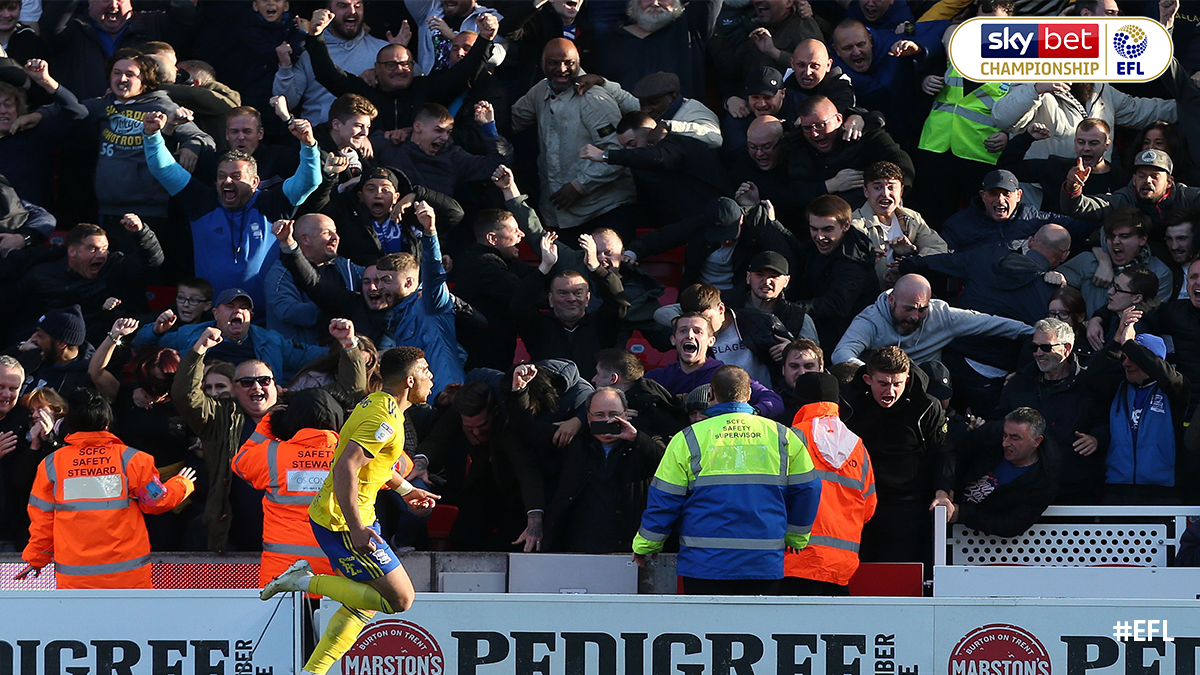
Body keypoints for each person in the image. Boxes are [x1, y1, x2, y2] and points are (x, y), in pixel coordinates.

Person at [259, 346, 439, 675]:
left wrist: (406, 489)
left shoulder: (381, 404)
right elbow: (345, 467)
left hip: (355, 516)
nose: (432, 378)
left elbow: (376, 464)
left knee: (362, 604)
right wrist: (356, 528)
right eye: (426, 371)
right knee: (400, 600)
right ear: (410, 380)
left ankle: (313, 672)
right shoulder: (382, 417)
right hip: (343, 522)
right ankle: (303, 581)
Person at [632, 365, 821, 594]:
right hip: (762, 563)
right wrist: (796, 538)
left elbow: (665, 498)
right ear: (749, 395)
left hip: (704, 565)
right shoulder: (783, 436)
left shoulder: (688, 438)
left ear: (711, 394)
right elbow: (808, 489)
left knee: (708, 629)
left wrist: (647, 544)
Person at [142, 107, 322, 310]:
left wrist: (309, 146)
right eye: (221, 176)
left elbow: (309, 180)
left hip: (267, 316)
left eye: (236, 176)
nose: (227, 181)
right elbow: (164, 169)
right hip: (213, 317)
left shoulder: (272, 204)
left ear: (254, 182)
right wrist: (151, 136)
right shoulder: (202, 202)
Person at [16, 389, 196, 587]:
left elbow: (43, 519)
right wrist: (182, 484)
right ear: (108, 424)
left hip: (75, 579)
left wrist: (36, 559)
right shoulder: (133, 460)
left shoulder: (52, 465)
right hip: (128, 577)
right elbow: (155, 501)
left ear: (71, 424)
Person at [512, 38, 634, 233]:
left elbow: (619, 153)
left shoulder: (594, 98)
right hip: (560, 215)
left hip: (604, 210)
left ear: (578, 63)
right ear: (542, 64)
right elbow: (513, 121)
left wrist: (579, 186)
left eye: (569, 63)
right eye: (553, 62)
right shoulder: (540, 90)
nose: (561, 69)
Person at [841, 346, 949, 563]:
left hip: (907, 505)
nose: (890, 392)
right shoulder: (847, 403)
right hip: (857, 504)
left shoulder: (926, 406)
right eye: (883, 383)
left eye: (897, 384)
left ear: (907, 380)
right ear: (868, 379)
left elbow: (943, 452)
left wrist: (942, 492)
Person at [304, 8, 493, 132]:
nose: (400, 70)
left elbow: (463, 74)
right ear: (376, 68)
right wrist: (316, 36)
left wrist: (485, 39)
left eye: (406, 64)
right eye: (391, 65)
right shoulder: (364, 92)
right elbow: (327, 75)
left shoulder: (425, 88)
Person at [233, 388, 343, 587]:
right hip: (340, 573)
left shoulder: (271, 454)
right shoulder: (354, 455)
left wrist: (268, 421)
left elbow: (240, 463)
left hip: (282, 574)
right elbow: (402, 466)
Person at [992, 318, 1107, 504]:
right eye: (1034, 347)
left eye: (1046, 348)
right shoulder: (1019, 383)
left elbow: (1106, 422)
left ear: (1067, 349)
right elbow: (1000, 418)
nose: (1038, 353)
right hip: (1025, 485)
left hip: (1075, 487)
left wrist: (1097, 439)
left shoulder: (1088, 384)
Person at [782, 371, 875, 595]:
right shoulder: (858, 447)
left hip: (793, 562)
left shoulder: (790, 439)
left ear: (799, 402)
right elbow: (869, 508)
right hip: (841, 567)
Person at [543, 386, 666, 552]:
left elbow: (665, 464)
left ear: (625, 415)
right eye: (600, 415)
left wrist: (636, 438)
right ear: (588, 418)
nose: (607, 421)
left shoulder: (644, 441)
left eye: (614, 415)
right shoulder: (575, 444)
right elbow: (527, 433)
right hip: (581, 545)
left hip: (630, 546)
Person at [1094, 310, 1192, 504]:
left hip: (1164, 491)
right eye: (1124, 357)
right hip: (1117, 489)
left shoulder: (1175, 388)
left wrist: (1130, 344)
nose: (1127, 364)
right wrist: (1116, 342)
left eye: (1135, 358)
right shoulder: (1116, 387)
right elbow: (1090, 378)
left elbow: (1164, 374)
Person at [16, 220, 164, 347]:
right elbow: (18, 309)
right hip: (56, 347)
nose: (101, 255)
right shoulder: (43, 275)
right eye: (93, 249)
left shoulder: (114, 266)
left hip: (103, 344)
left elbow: (152, 260)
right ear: (72, 251)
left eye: (104, 249)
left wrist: (141, 233)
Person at [135, 288, 328, 381]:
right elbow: (141, 346)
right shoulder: (189, 334)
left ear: (251, 316)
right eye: (230, 307)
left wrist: (349, 347)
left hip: (256, 405)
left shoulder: (271, 340)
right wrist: (156, 331)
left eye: (244, 308)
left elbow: (310, 355)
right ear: (216, 313)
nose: (238, 312)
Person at [580, 110, 728, 228]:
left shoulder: (678, 143)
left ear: (650, 133)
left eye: (632, 143)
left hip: (715, 218)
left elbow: (659, 157)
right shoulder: (643, 167)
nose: (629, 150)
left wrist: (605, 155)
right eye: (625, 147)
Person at [512, 231, 628, 380]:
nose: (571, 299)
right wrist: (544, 268)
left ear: (587, 299)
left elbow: (618, 302)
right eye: (563, 293)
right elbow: (519, 306)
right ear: (551, 299)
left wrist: (595, 267)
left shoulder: (600, 325)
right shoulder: (538, 326)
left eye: (578, 293)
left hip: (592, 398)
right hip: (548, 398)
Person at [931, 407, 1059, 537]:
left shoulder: (1044, 478)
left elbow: (1012, 524)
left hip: (984, 538)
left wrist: (961, 514)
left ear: (1037, 441)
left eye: (1015, 438)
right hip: (942, 508)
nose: (1005, 443)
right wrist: (945, 490)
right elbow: (954, 452)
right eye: (1005, 435)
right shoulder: (993, 433)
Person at [39, 0, 197, 99]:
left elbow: (186, 15)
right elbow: (49, 22)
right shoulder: (71, 30)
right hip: (81, 126)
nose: (113, 5)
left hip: (139, 129)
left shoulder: (153, 24)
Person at [645, 312, 785, 420]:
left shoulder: (726, 375)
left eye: (698, 331)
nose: (690, 335)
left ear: (711, 341)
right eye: (683, 330)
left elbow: (774, 401)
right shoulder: (657, 378)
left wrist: (752, 413)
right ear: (673, 340)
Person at [787, 94, 914, 210]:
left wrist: (894, 192)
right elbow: (789, 192)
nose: (814, 134)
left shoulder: (865, 136)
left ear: (838, 119)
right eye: (807, 128)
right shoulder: (798, 147)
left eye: (821, 125)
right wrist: (827, 186)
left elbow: (900, 160)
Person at [272, 0, 388, 125]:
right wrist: (285, 67)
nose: (352, 12)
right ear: (327, 11)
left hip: (364, 138)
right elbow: (287, 102)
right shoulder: (309, 50)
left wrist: (395, 62)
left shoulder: (382, 51)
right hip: (317, 137)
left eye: (358, 6)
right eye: (343, 6)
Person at [789, 194, 880, 351]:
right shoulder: (817, 246)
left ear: (845, 226)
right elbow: (799, 251)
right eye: (814, 229)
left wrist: (792, 309)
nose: (819, 237)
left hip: (846, 338)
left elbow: (837, 304)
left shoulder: (853, 261)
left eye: (827, 229)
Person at [586, 0, 722, 100]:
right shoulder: (610, 42)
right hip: (627, 129)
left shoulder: (691, 28)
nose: (655, 3)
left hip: (681, 127)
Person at [376, 102, 511, 197]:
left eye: (448, 132)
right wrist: (362, 139)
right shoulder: (393, 144)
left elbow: (497, 166)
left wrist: (488, 127)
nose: (444, 137)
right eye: (438, 130)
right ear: (417, 127)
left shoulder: (453, 157)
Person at [941, 169, 1093, 253]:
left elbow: (1081, 227)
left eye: (1006, 194)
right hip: (980, 293)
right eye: (993, 194)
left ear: (1019, 195)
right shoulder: (959, 224)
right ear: (983, 195)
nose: (1000, 200)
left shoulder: (1034, 219)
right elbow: (938, 256)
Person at [265, 214, 363, 344]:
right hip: (304, 357)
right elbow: (287, 310)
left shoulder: (346, 267)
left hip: (343, 351)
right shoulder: (281, 272)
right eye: (327, 233)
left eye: (335, 232)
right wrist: (342, 308)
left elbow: (374, 280)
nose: (336, 237)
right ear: (305, 239)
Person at [998, 119, 1127, 215]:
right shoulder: (1056, 166)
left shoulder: (1120, 179)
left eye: (1093, 143)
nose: (1086, 148)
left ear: (1107, 145)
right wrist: (1027, 138)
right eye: (1081, 142)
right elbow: (1008, 167)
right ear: (1075, 142)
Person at [1058, 209, 1172, 316]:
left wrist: (1099, 320)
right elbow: (1053, 292)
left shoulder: (1160, 273)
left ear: (1142, 239)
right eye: (1111, 236)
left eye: (1124, 236)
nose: (1115, 242)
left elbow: (1149, 316)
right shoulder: (1087, 261)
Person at [851, 161, 947, 287]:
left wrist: (911, 258)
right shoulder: (855, 224)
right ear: (866, 191)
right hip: (870, 298)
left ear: (901, 191)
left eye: (891, 187)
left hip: (908, 295)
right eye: (877, 187)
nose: (885, 194)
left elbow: (940, 249)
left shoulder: (912, 218)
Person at [1063, 148, 1200, 226]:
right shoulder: (1124, 199)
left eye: (1154, 176)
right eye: (1141, 175)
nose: (1147, 180)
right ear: (1134, 179)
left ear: (1169, 182)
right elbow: (1079, 208)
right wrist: (1072, 187)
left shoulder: (1185, 197)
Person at [592, 348, 687, 441]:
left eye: (598, 373)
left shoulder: (644, 407)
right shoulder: (650, 390)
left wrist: (616, 423)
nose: (593, 379)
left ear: (613, 378)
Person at [13, 305, 94, 396]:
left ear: (61, 344)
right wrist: (17, 350)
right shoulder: (32, 354)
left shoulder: (82, 381)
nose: (32, 338)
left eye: (40, 335)